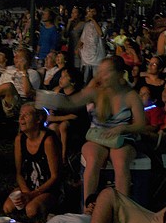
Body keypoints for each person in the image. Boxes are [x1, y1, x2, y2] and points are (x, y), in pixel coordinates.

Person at [51, 55, 145, 200]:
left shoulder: (131, 95)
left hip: (122, 138)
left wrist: (122, 129)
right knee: (93, 159)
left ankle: (122, 208)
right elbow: (70, 102)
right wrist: (42, 97)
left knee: (120, 161)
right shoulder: (96, 92)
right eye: (100, 72)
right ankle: (88, 207)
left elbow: (140, 125)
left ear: (119, 74)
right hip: (98, 137)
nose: (102, 76)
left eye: (107, 72)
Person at [2, 103, 62, 221]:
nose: (21, 119)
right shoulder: (20, 139)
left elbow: (55, 176)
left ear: (38, 119)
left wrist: (32, 195)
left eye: (26, 115)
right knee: (7, 208)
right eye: (20, 115)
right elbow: (18, 173)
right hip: (28, 186)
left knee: (31, 210)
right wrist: (25, 192)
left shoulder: (48, 141)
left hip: (47, 188)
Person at [76, 4, 106, 81]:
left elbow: (101, 34)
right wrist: (78, 49)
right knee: (85, 80)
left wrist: (93, 20)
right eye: (90, 12)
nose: (91, 14)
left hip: (97, 59)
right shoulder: (87, 25)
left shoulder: (103, 24)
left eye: (93, 12)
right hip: (86, 58)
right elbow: (82, 39)